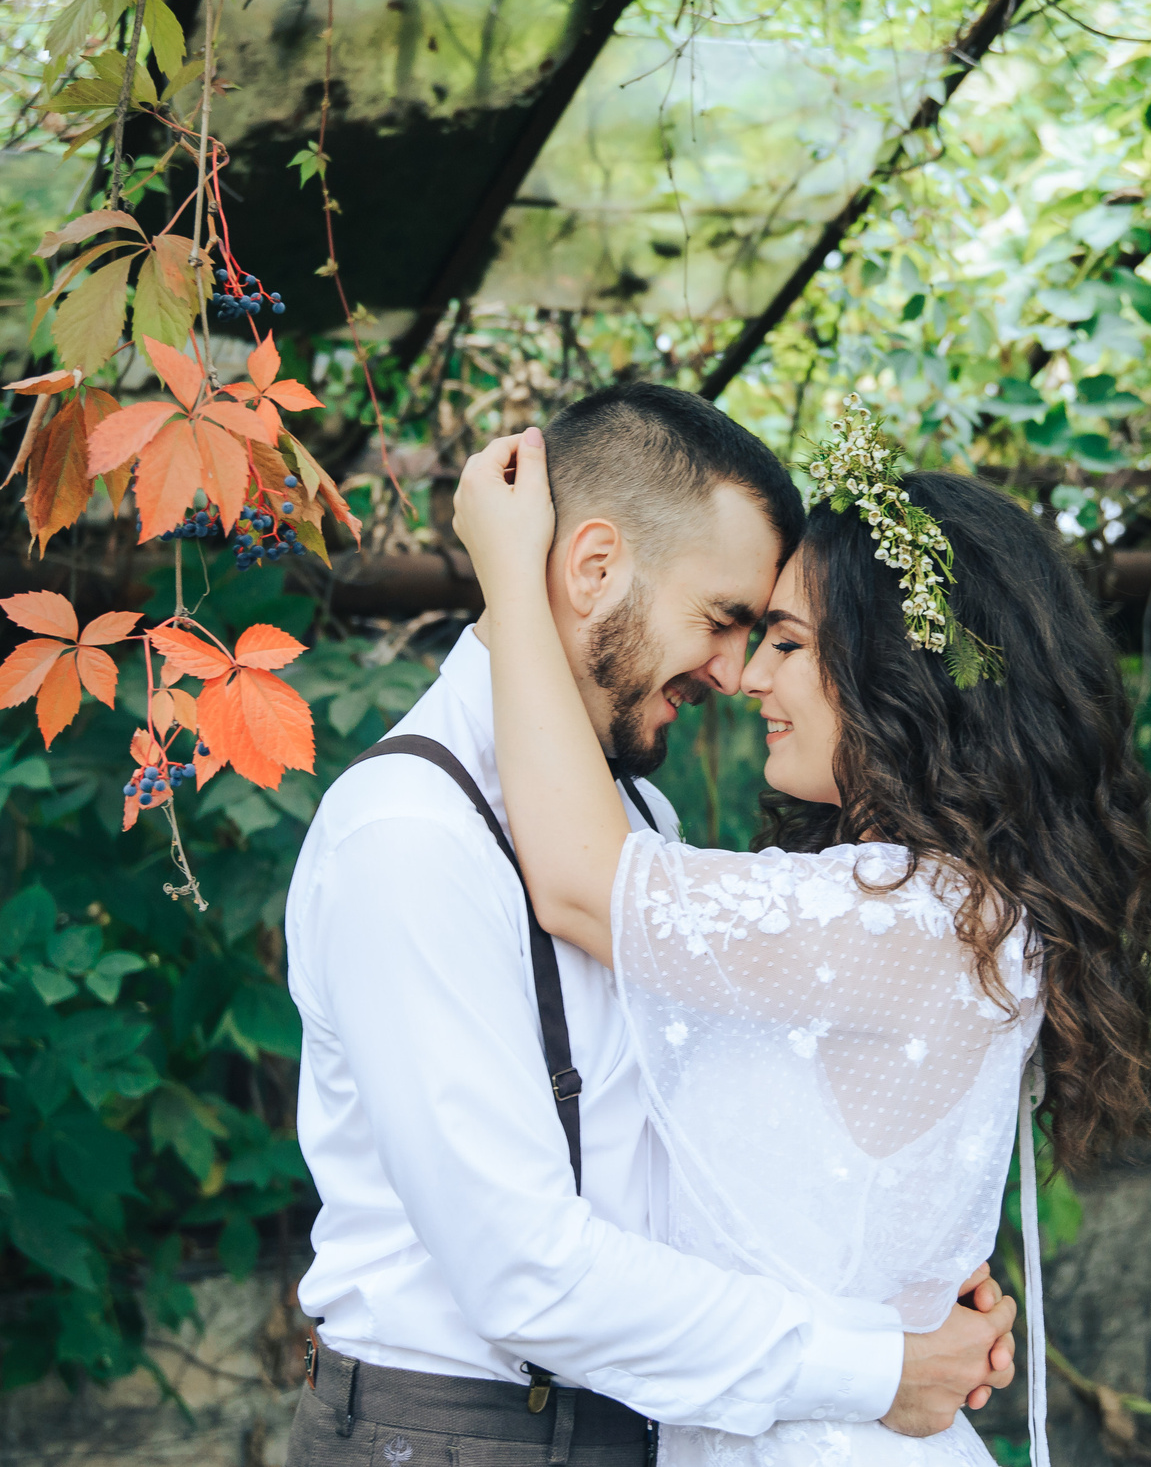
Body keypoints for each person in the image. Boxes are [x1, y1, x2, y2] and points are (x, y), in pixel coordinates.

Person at [280, 385, 1018, 1467]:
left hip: (649, 1417)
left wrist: (893, 1270)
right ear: (592, 568)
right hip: (459, 1437)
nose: (735, 673)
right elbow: (523, 1271)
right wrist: (873, 1358)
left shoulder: (636, 821)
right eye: (723, 620)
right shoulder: (409, 832)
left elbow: (693, 1154)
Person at [452, 399, 1151, 1467]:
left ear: (897, 669)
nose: (748, 676)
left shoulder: (908, 916)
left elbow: (577, 882)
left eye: (786, 641)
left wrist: (512, 576)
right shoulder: (952, 910)